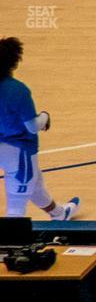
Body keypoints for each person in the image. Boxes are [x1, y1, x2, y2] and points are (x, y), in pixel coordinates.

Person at [0, 37, 76, 222]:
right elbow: (32, 126)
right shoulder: (16, 90)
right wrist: (45, 117)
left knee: (34, 182)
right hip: (17, 149)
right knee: (16, 208)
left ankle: (58, 213)